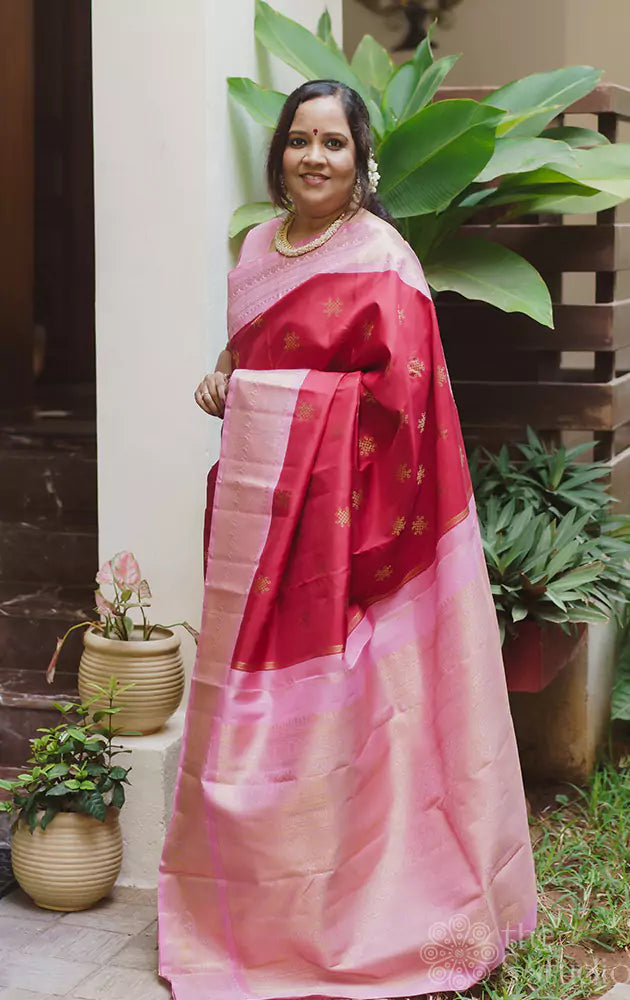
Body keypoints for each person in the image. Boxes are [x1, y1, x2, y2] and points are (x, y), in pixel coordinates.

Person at [158, 79, 538, 1000]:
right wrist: (224, 385)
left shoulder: (384, 258)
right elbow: (245, 359)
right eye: (298, 141)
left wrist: (280, 407)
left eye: (332, 143)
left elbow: (401, 404)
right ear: (279, 153)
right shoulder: (257, 249)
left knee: (362, 726)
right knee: (254, 723)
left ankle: (366, 907)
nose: (313, 158)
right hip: (262, 533)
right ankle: (255, 908)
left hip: (355, 534)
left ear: (359, 159)